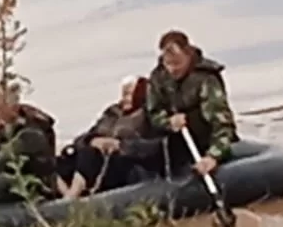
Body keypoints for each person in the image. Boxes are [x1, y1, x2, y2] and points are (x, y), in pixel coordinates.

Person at [145, 30, 239, 176]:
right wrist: (168, 122)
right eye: (168, 63)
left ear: (188, 55)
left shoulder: (206, 78)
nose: (172, 69)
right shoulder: (158, 78)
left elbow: (222, 124)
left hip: (206, 140)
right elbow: (154, 112)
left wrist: (213, 156)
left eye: (177, 63)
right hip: (177, 145)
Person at [56, 75, 163, 198]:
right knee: (64, 158)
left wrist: (119, 145)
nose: (125, 98)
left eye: (129, 94)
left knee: (89, 155)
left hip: (124, 163)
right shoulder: (112, 113)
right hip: (96, 156)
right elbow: (84, 137)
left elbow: (154, 147)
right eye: (124, 94)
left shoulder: (148, 115)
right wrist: (92, 140)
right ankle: (64, 195)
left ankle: (72, 196)